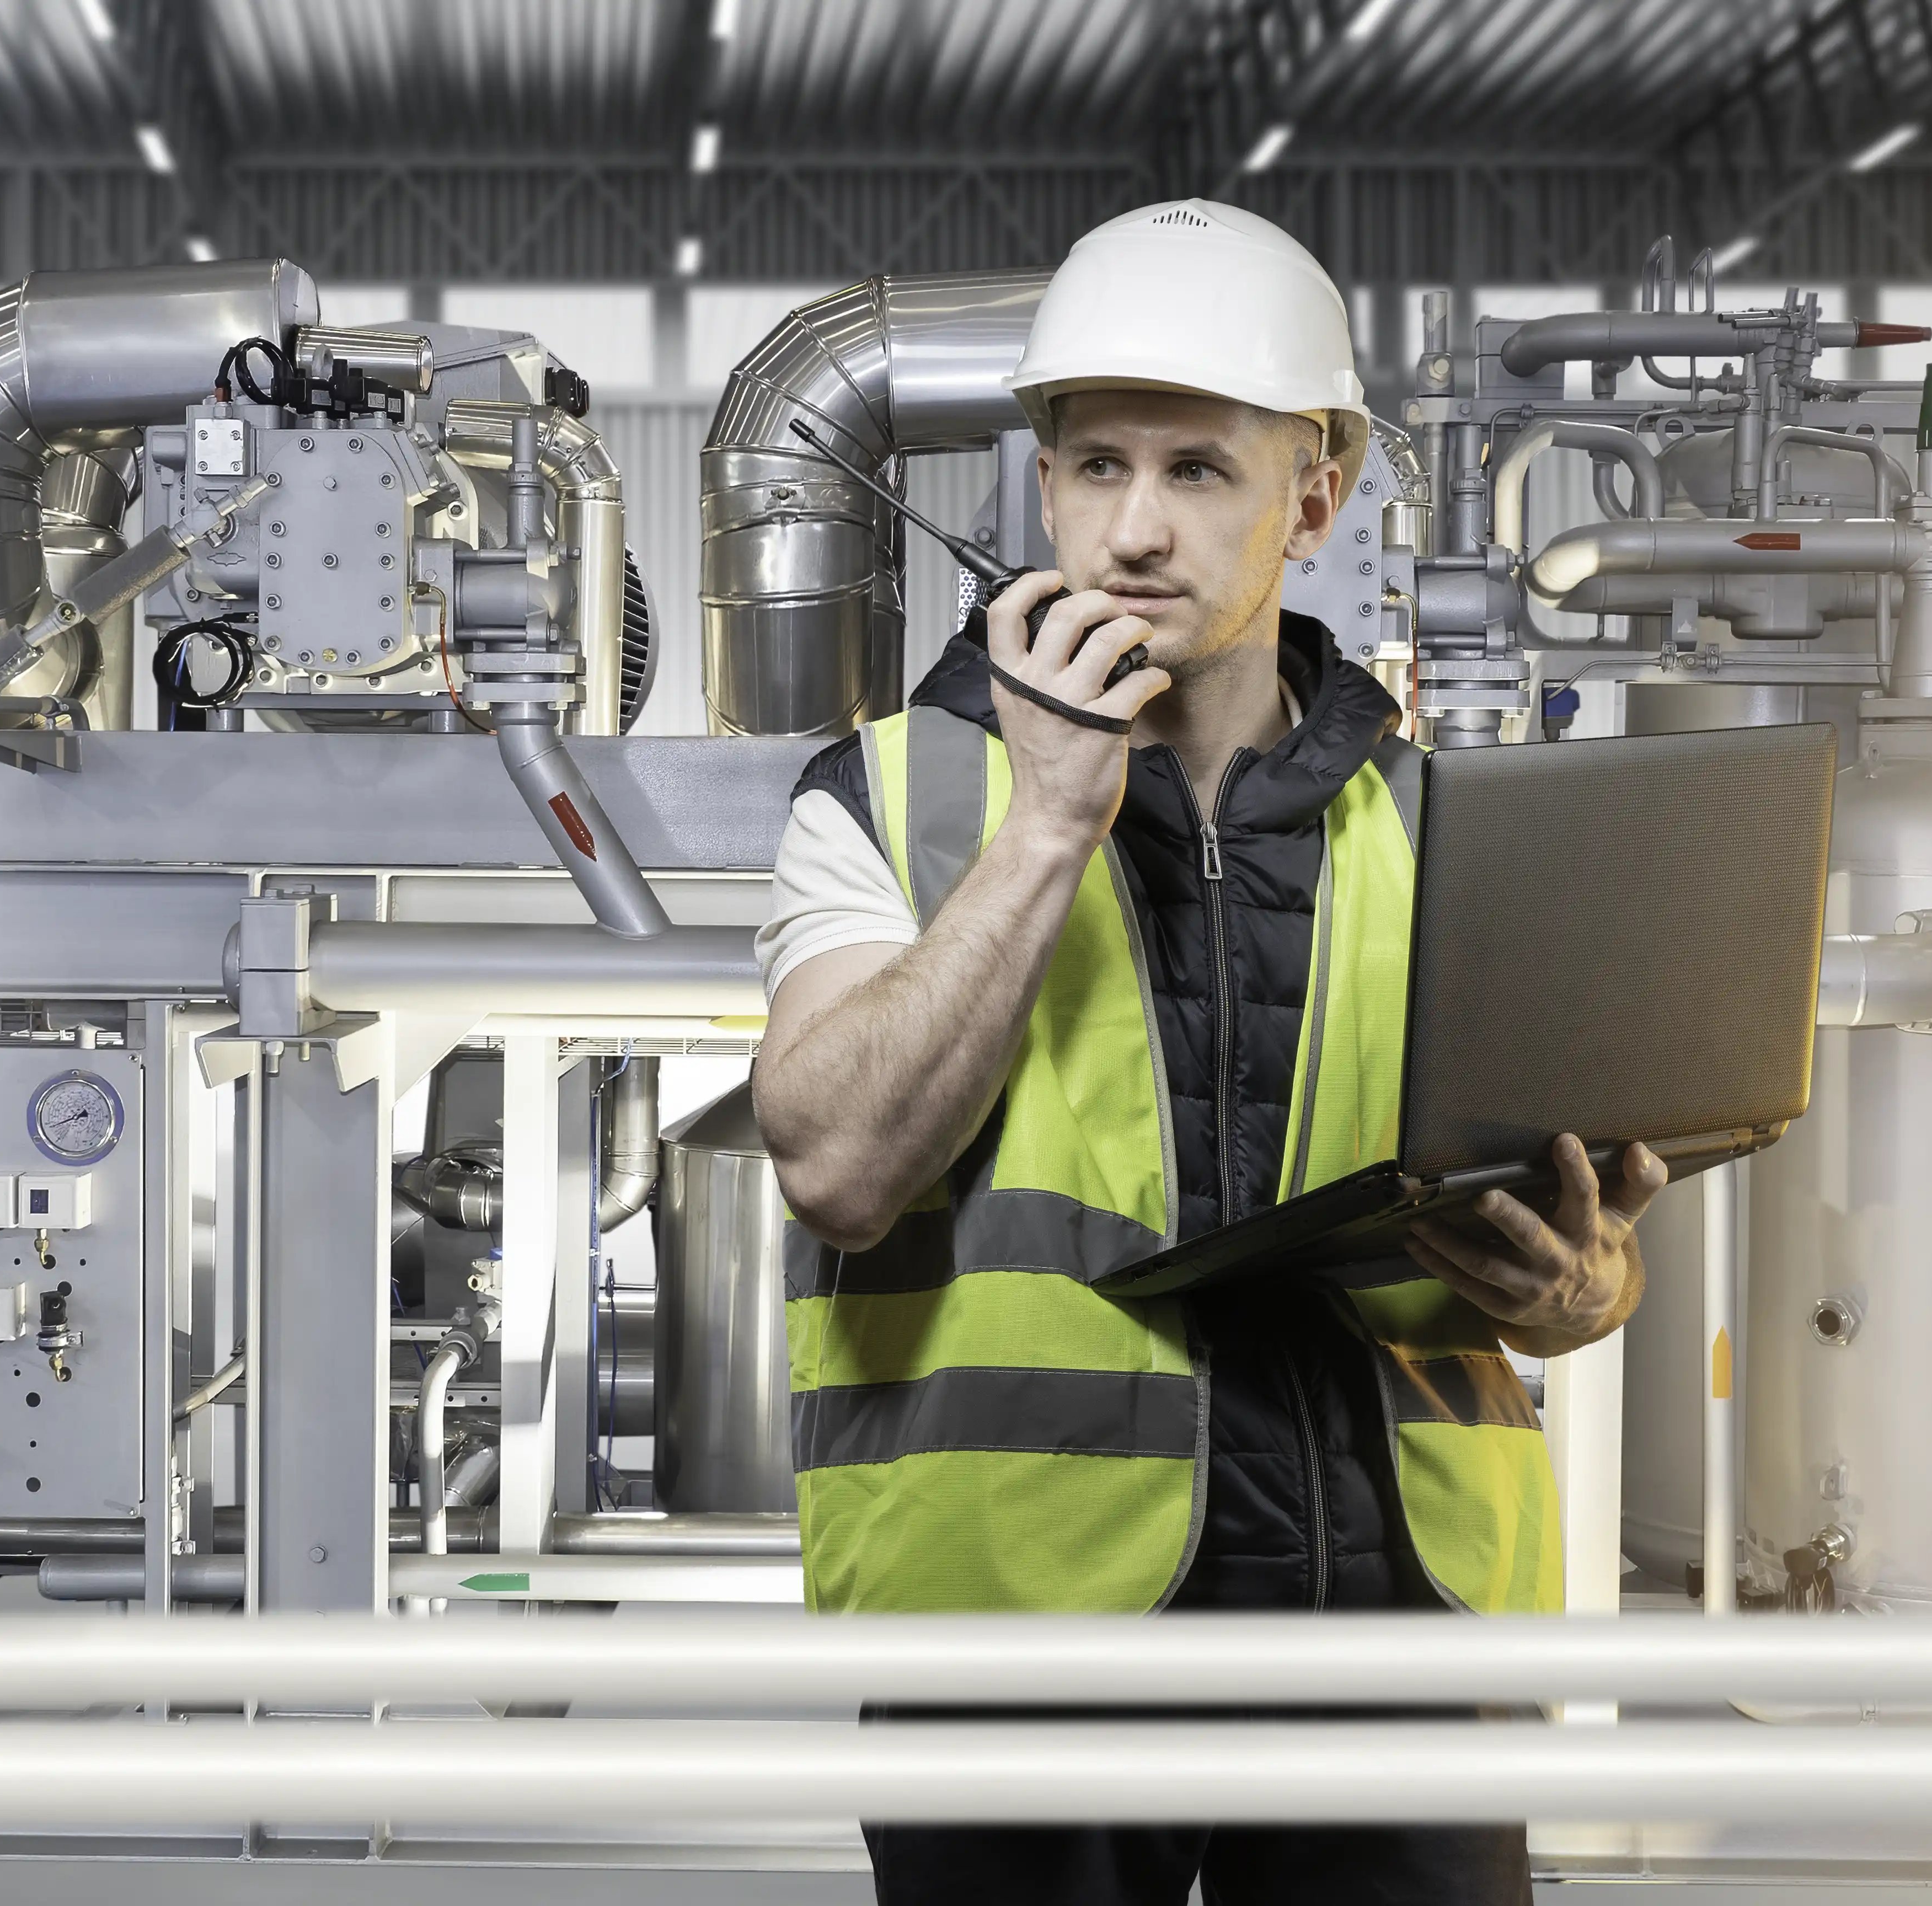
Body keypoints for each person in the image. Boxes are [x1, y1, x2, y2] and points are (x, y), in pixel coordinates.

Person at [750, 200, 1668, 1906]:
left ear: (1313, 498)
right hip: (1019, 1638)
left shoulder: (1450, 827)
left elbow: (1578, 1260)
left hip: (1403, 1637)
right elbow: (840, 1168)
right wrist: (1048, 824)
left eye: (1197, 472)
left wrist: (1578, 1290)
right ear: (1042, 485)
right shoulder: (887, 798)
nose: (1134, 531)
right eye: (1095, 467)